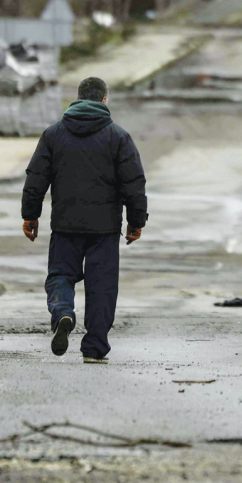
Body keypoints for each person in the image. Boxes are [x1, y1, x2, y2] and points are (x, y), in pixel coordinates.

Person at [22, 76, 148, 364]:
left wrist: (30, 215)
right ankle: (94, 347)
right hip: (104, 229)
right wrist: (136, 221)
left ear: (78, 99)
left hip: (65, 225)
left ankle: (63, 312)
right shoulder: (118, 137)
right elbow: (134, 183)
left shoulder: (53, 135)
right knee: (101, 286)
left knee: (60, 276)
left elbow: (35, 180)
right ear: (104, 100)